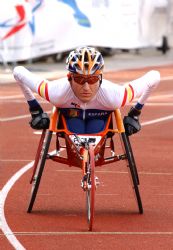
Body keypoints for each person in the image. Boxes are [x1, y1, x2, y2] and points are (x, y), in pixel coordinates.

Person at [13, 46, 160, 136]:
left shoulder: (115, 96)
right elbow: (18, 71)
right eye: (79, 79)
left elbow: (155, 76)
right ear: (69, 78)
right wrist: (35, 110)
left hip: (100, 123)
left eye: (92, 80)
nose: (86, 87)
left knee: (94, 127)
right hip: (70, 123)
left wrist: (135, 113)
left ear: (100, 78)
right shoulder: (56, 92)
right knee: (76, 127)